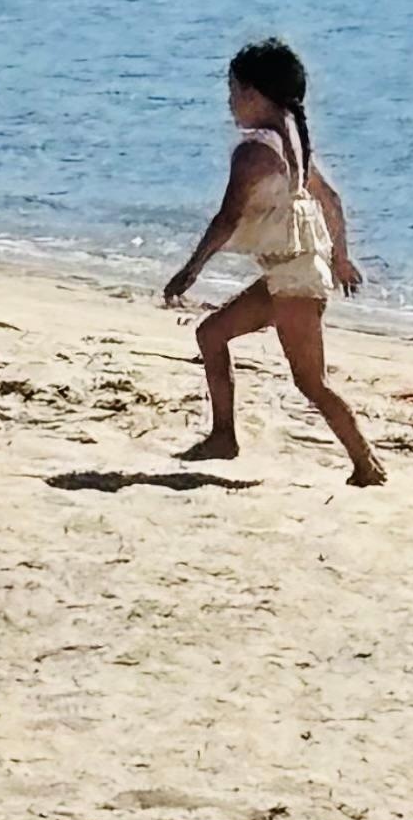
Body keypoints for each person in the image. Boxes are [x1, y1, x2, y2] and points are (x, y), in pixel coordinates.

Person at [163, 39, 386, 487]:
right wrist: (340, 258)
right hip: (290, 272)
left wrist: (190, 270)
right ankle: (223, 437)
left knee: (311, 382)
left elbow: (228, 217)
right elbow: (331, 200)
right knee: (211, 334)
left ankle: (367, 465)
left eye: (233, 92)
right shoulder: (295, 140)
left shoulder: (255, 152)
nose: (229, 103)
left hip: (296, 280)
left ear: (254, 94)